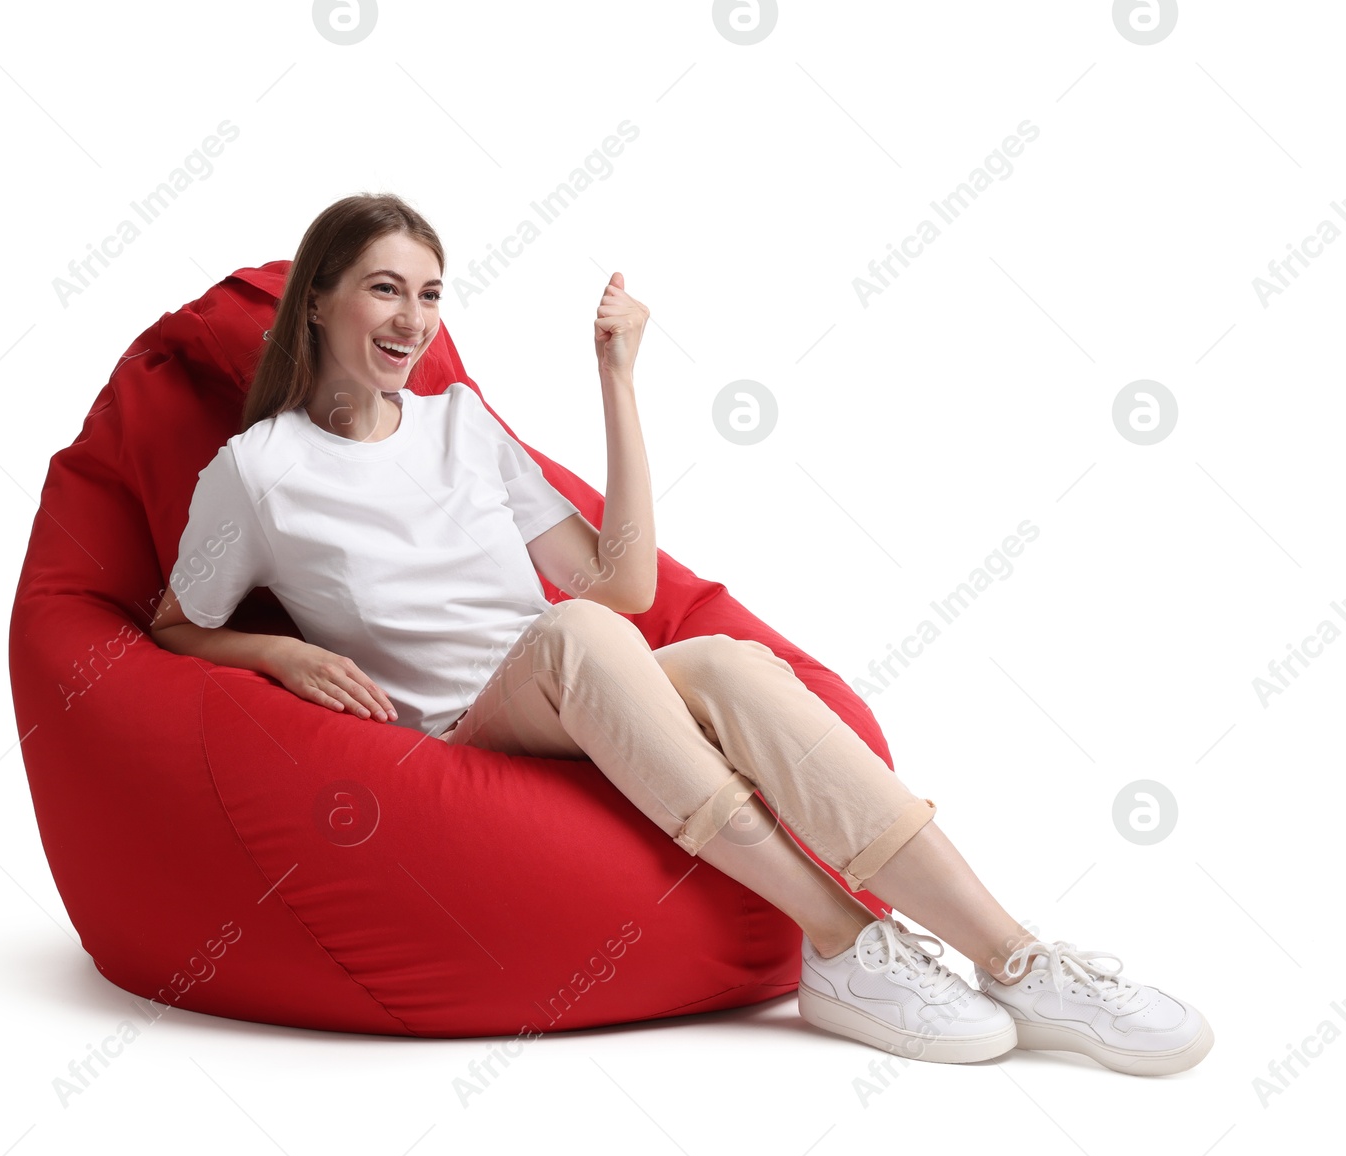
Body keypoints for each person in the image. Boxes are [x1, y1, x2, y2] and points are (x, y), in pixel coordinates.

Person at [148, 191, 1213, 1076]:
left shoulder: (459, 424)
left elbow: (618, 585)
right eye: (384, 287)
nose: (412, 318)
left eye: (429, 293)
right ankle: (845, 940)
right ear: (319, 299)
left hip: (574, 677)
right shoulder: (259, 472)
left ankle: (1021, 961)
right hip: (464, 729)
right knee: (579, 642)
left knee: (725, 663)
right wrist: (277, 651)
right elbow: (170, 629)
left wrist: (616, 378)